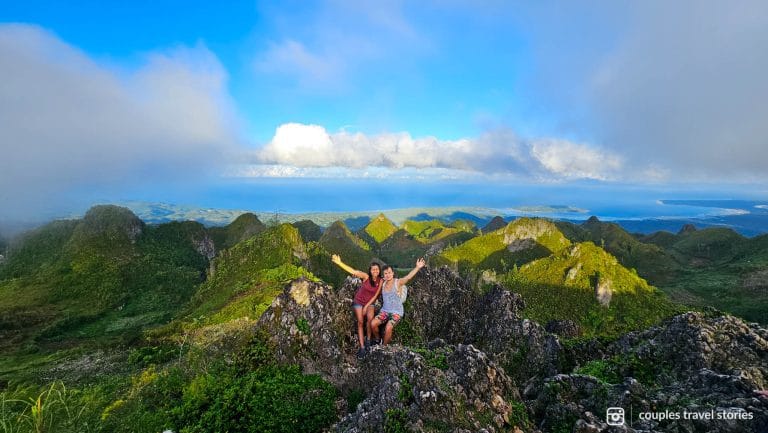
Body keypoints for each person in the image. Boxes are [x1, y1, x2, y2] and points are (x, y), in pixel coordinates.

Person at [331, 254, 382, 358]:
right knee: (360, 322)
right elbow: (353, 271)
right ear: (370, 271)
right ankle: (362, 347)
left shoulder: (380, 281)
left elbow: (376, 295)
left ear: (379, 271)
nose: (375, 271)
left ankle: (368, 340)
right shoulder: (366, 277)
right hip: (358, 301)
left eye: (377, 269)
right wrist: (339, 263)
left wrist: (367, 307)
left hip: (370, 302)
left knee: (370, 320)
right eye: (373, 270)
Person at [370, 258, 426, 346]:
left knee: (388, 327)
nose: (388, 275)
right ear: (383, 275)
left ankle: (383, 347)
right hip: (385, 311)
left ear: (393, 273)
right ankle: (377, 339)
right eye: (385, 273)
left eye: (389, 272)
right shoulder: (383, 283)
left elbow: (408, 277)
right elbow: (372, 278)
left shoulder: (398, 283)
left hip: (396, 312)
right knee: (373, 324)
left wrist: (417, 267)